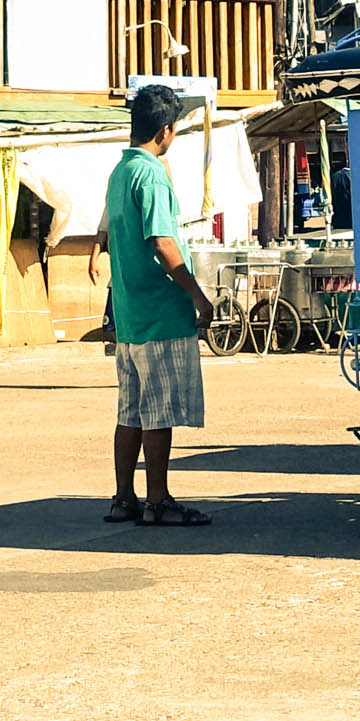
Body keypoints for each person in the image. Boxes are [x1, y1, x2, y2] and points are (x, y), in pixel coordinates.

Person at [104, 82, 212, 527]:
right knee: (158, 413)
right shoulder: (150, 173)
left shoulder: (119, 172)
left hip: (131, 316)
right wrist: (196, 293)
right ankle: (158, 500)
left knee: (129, 412)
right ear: (165, 130)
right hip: (160, 313)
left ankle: (123, 497)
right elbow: (164, 242)